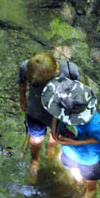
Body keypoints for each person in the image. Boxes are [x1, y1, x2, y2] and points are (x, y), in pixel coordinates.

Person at [42, 80, 100, 198]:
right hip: (70, 153)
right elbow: (56, 115)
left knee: (91, 185)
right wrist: (53, 128)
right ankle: (78, 183)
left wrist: (77, 142)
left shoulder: (93, 122)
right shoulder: (62, 110)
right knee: (76, 174)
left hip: (90, 159)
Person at [18, 52, 81, 182]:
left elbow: (79, 90)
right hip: (35, 112)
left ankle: (50, 150)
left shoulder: (70, 70)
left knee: (54, 134)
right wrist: (22, 99)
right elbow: (22, 83)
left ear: (56, 72)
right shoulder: (26, 66)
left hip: (57, 114)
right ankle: (35, 159)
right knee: (36, 138)